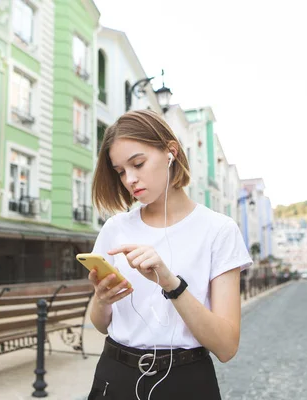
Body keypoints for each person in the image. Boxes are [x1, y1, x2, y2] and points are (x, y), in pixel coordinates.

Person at [86, 110, 252, 400]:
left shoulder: (219, 230)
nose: (130, 179)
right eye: (121, 171)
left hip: (186, 382)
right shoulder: (115, 228)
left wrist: (171, 283)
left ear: (170, 152)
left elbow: (226, 347)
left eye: (138, 163)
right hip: (115, 377)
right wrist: (101, 300)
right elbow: (100, 324)